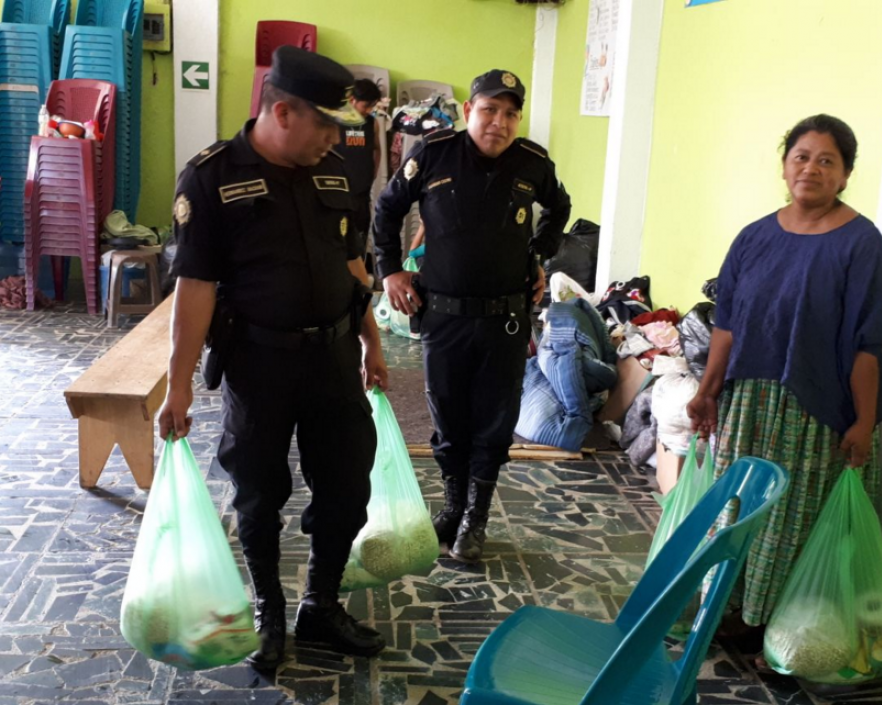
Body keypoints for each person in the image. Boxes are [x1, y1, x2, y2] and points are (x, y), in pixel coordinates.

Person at [157, 46, 389, 669]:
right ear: (283, 111)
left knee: (346, 486)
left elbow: (352, 267)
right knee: (259, 495)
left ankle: (319, 605)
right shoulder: (210, 178)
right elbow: (196, 289)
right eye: (325, 125)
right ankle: (269, 610)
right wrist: (178, 387)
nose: (334, 139)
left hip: (333, 357)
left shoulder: (337, 172)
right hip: (257, 364)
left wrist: (371, 338)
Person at [686, 114, 882, 651]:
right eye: (802, 156)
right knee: (738, 514)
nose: (812, 169)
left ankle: (778, 628)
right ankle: (729, 612)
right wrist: (708, 390)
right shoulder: (754, 237)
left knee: (790, 522)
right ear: (785, 165)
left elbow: (866, 345)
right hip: (748, 405)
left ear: (846, 175)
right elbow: (726, 325)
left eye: (828, 160)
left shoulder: (862, 245)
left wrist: (865, 422)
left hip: (814, 415)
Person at [372, 69, 572, 564]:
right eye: (489, 110)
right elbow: (387, 209)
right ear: (469, 112)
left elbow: (559, 208)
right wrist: (391, 271)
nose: (499, 123)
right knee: (447, 416)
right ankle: (453, 507)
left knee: (494, 421)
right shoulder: (434, 153)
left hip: (504, 320)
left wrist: (539, 256)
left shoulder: (532, 163)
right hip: (442, 316)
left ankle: (475, 521)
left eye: (510, 114)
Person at [333, 78, 383, 257]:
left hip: (361, 195)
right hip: (339, 196)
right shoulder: (336, 121)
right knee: (338, 243)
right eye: (366, 105)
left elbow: (377, 149)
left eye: (373, 106)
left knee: (359, 242)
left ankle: (358, 281)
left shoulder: (372, 123)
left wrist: (374, 171)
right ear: (352, 100)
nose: (369, 110)